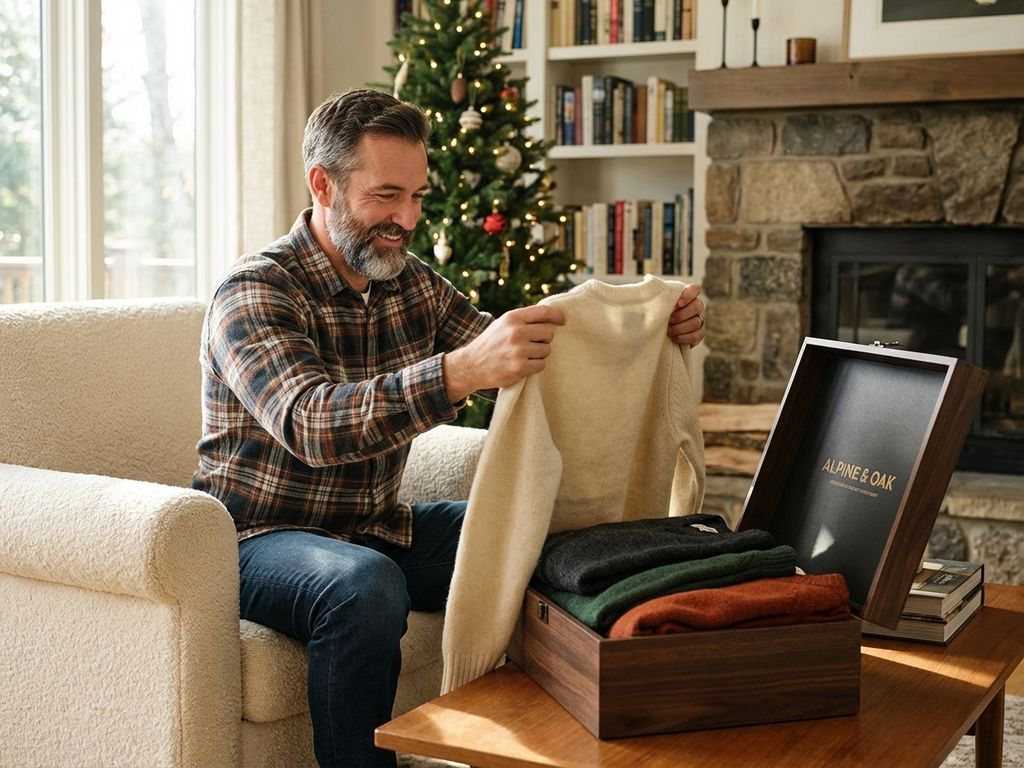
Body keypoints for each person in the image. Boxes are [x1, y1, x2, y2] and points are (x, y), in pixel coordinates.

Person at [192, 88, 706, 768]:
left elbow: (534, 352)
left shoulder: (413, 285)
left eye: (418, 196)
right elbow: (311, 423)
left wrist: (652, 323)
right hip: (256, 540)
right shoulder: (255, 292)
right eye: (385, 196)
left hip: (378, 524)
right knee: (361, 584)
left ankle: (568, 745)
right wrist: (459, 373)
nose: (406, 218)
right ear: (323, 184)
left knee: (540, 521)